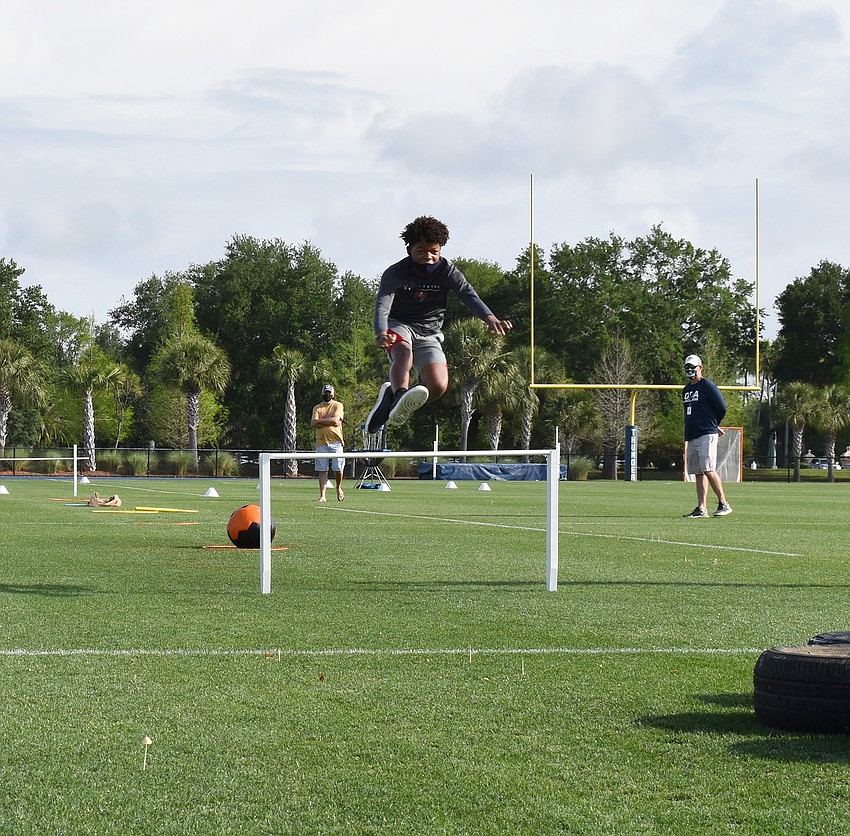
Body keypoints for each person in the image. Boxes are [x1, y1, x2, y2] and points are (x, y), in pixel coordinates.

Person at [367, 215, 512, 431]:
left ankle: (394, 401)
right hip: (398, 325)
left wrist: (489, 318)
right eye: (421, 251)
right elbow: (383, 303)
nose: (428, 257)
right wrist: (381, 331)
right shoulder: (395, 273)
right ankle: (398, 395)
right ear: (409, 250)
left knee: (438, 385)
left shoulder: (447, 272)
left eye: (434, 252)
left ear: (440, 250)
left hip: (429, 332)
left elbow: (467, 294)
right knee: (404, 352)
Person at [682, 354, 732, 518]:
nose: (690, 371)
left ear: (700, 368)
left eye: (693, 368)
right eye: (687, 368)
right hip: (692, 435)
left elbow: (721, 407)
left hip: (706, 433)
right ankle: (701, 508)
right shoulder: (686, 389)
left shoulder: (708, 386)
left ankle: (724, 504)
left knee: (708, 468)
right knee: (698, 471)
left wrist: (713, 424)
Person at [311, 383, 345, 502]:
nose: (327, 395)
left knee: (338, 468)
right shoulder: (317, 408)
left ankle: (339, 487)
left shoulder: (338, 405)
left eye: (329, 393)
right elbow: (313, 423)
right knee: (322, 469)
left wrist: (321, 422)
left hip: (336, 441)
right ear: (322, 394)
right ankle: (323, 495)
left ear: (333, 394)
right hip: (321, 442)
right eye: (325, 393)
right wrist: (328, 421)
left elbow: (336, 421)